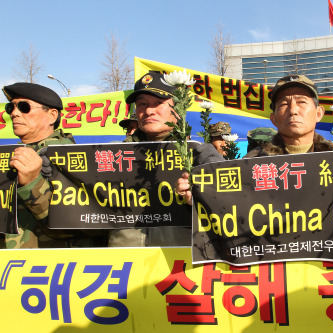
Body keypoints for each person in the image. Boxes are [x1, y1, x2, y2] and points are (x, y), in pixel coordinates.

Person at [176, 74, 333, 204]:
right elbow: (231, 207)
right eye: (284, 104)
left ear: (318, 114)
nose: (293, 110)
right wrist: (197, 198)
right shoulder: (250, 164)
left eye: (302, 102)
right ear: (273, 118)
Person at [2, 82, 106, 248]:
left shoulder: (77, 159)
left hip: (51, 268)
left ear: (51, 115)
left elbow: (83, 226)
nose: (14, 113)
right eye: (11, 107)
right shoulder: (8, 156)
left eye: (24, 107)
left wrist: (32, 184)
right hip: (9, 267)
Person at [108, 71, 191, 247]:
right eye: (142, 104)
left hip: (177, 264)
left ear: (177, 107)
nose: (149, 111)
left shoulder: (198, 155)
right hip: (124, 265)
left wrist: (201, 197)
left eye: (159, 103)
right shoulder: (112, 156)